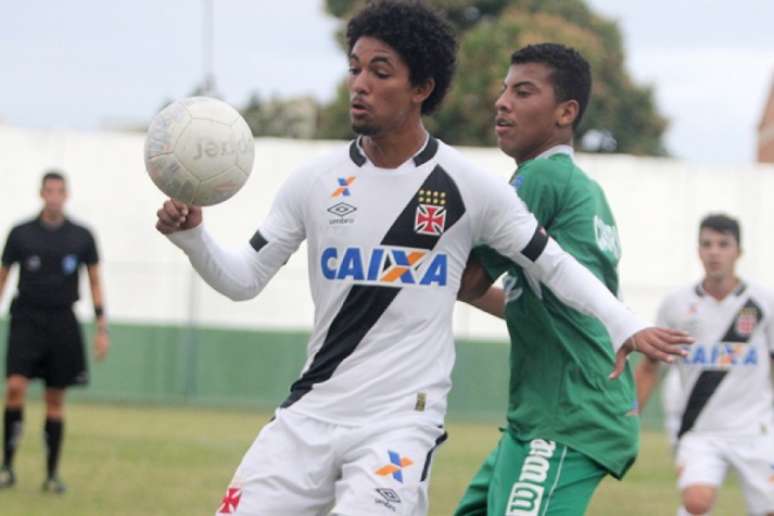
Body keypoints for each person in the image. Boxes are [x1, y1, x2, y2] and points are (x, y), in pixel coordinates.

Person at [155, 3, 689, 515]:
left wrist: (625, 323)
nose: (360, 83)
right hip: (308, 416)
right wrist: (194, 238)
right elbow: (244, 280)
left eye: (380, 72)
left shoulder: (470, 187)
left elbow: (553, 264)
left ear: (421, 88)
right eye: (355, 68)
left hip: (399, 427)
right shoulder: (313, 182)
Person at [453, 42, 643, 516]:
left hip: (569, 415)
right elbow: (511, 294)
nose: (502, 102)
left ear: (565, 112)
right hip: (546, 414)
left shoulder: (539, 179)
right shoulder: (584, 188)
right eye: (503, 90)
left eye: (522, 92)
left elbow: (467, 276)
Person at [635, 214, 774, 516]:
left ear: (739, 251)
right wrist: (629, 416)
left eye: (724, 244)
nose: (715, 252)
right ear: (698, 251)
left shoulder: (764, 302)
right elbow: (649, 367)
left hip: (757, 429)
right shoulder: (676, 304)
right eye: (707, 244)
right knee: (696, 503)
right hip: (700, 429)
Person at [0, 170, 109, 493]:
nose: (54, 196)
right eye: (49, 190)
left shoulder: (82, 236)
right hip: (26, 319)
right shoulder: (21, 234)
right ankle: (7, 467)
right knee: (15, 387)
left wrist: (102, 326)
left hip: (63, 322)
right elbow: (4, 276)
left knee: (55, 398)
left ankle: (51, 475)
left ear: (66, 195)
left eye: (60, 190)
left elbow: (94, 280)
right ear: (41, 194)